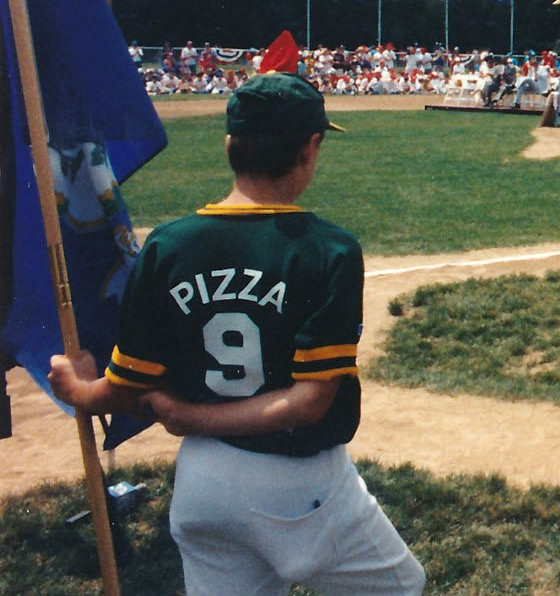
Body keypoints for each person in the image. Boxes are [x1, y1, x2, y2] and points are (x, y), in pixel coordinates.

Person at [48, 73, 424, 596]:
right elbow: (311, 402)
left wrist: (78, 389)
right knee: (402, 586)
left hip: (204, 479)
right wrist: (188, 417)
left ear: (229, 144)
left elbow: (127, 387)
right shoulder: (328, 250)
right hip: (301, 484)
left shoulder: (168, 244)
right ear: (310, 149)